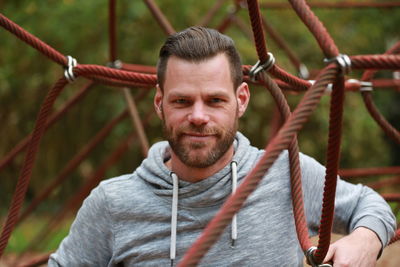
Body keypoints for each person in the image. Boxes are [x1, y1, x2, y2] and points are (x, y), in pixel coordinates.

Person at [48, 26, 396, 266]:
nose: (198, 117)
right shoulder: (113, 203)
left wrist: (365, 240)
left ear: (241, 100)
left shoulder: (282, 173)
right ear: (159, 103)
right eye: (182, 101)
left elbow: (371, 205)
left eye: (215, 100)